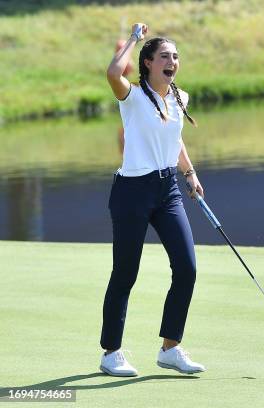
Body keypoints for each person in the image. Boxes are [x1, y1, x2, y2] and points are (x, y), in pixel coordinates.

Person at [100, 23, 205, 376]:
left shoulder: (179, 97)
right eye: (164, 56)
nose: (172, 61)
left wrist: (190, 173)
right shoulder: (131, 96)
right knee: (126, 273)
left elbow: (174, 139)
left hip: (167, 190)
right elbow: (114, 71)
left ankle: (170, 348)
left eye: (175, 56)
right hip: (132, 193)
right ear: (147, 63)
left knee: (187, 268)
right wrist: (133, 39)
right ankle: (110, 353)